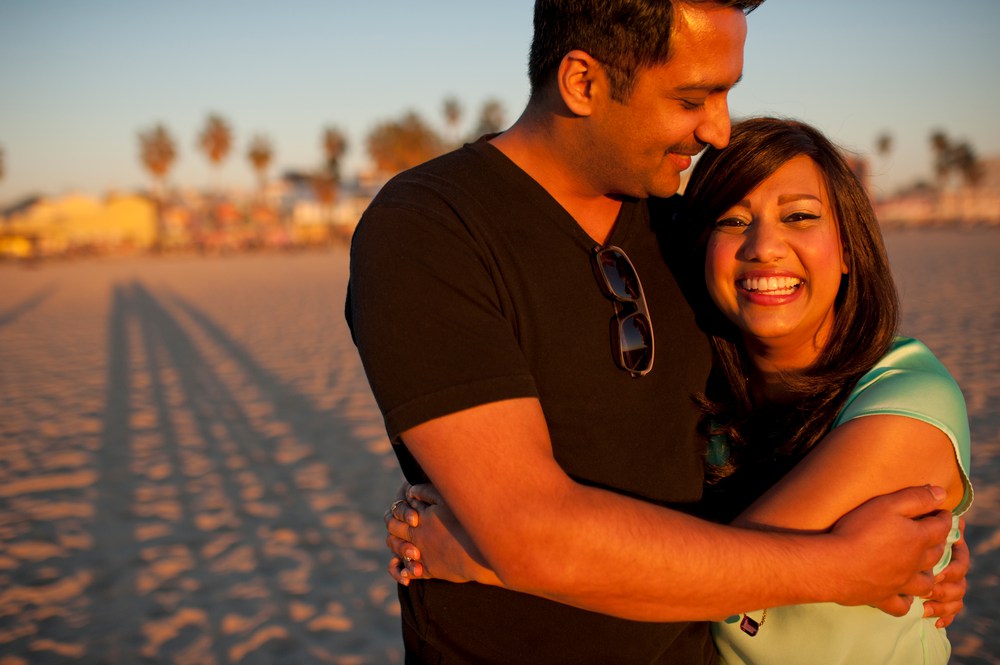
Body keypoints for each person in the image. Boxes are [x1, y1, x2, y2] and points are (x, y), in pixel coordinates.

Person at [347, 1, 957, 662]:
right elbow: (532, 530)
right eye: (693, 97)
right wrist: (842, 567)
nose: (719, 130)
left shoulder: (683, 230)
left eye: (727, 94)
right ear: (582, 82)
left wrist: (927, 551)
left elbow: (763, 436)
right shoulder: (429, 230)